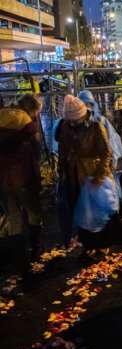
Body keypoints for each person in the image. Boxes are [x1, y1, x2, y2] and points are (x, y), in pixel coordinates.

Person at [56, 95, 116, 255]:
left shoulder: (96, 126)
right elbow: (62, 151)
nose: (73, 123)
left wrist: (100, 175)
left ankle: (101, 244)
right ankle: (88, 245)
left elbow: (106, 153)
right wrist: (61, 172)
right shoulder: (65, 127)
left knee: (97, 211)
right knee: (81, 211)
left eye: (75, 120)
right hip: (74, 174)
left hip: (92, 173)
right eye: (70, 121)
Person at [0, 94, 43, 275]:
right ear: (32, 110)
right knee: (34, 212)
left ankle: (20, 262)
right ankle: (35, 251)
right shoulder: (28, 125)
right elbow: (36, 152)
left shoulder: (3, 116)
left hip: (3, 179)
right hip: (24, 177)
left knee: (14, 217)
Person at [78, 90, 122, 170]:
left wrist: (113, 160)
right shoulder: (75, 123)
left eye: (88, 104)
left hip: (100, 161)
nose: (87, 108)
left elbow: (112, 140)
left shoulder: (101, 121)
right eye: (84, 105)